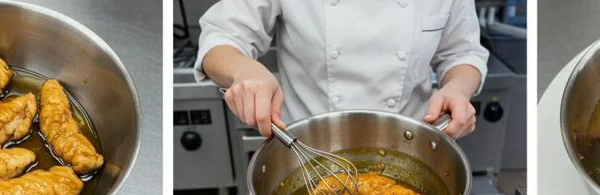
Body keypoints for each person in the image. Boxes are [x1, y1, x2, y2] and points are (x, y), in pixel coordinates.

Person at [195, 0, 488, 139]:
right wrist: (245, 71)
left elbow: (462, 52)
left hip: (413, 144)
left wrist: (458, 88)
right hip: (307, 146)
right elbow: (221, 39)